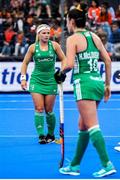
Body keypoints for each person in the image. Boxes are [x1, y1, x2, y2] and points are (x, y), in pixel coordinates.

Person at [58, 6, 117, 178]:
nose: (67, 24)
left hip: (83, 83)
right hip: (97, 82)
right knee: (82, 125)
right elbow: (107, 60)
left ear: (72, 21)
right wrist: (107, 85)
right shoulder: (94, 37)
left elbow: (68, 64)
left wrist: (60, 74)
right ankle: (75, 165)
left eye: (68, 20)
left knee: (92, 126)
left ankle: (107, 164)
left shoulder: (73, 39)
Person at [20, 24, 66, 144]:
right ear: (38, 35)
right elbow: (24, 63)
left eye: (48, 33)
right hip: (37, 81)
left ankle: (50, 135)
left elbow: (64, 59)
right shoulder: (32, 47)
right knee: (39, 108)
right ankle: (41, 136)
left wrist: (62, 72)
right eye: (43, 33)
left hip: (51, 81)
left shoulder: (55, 46)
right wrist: (23, 78)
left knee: (49, 110)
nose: (46, 35)